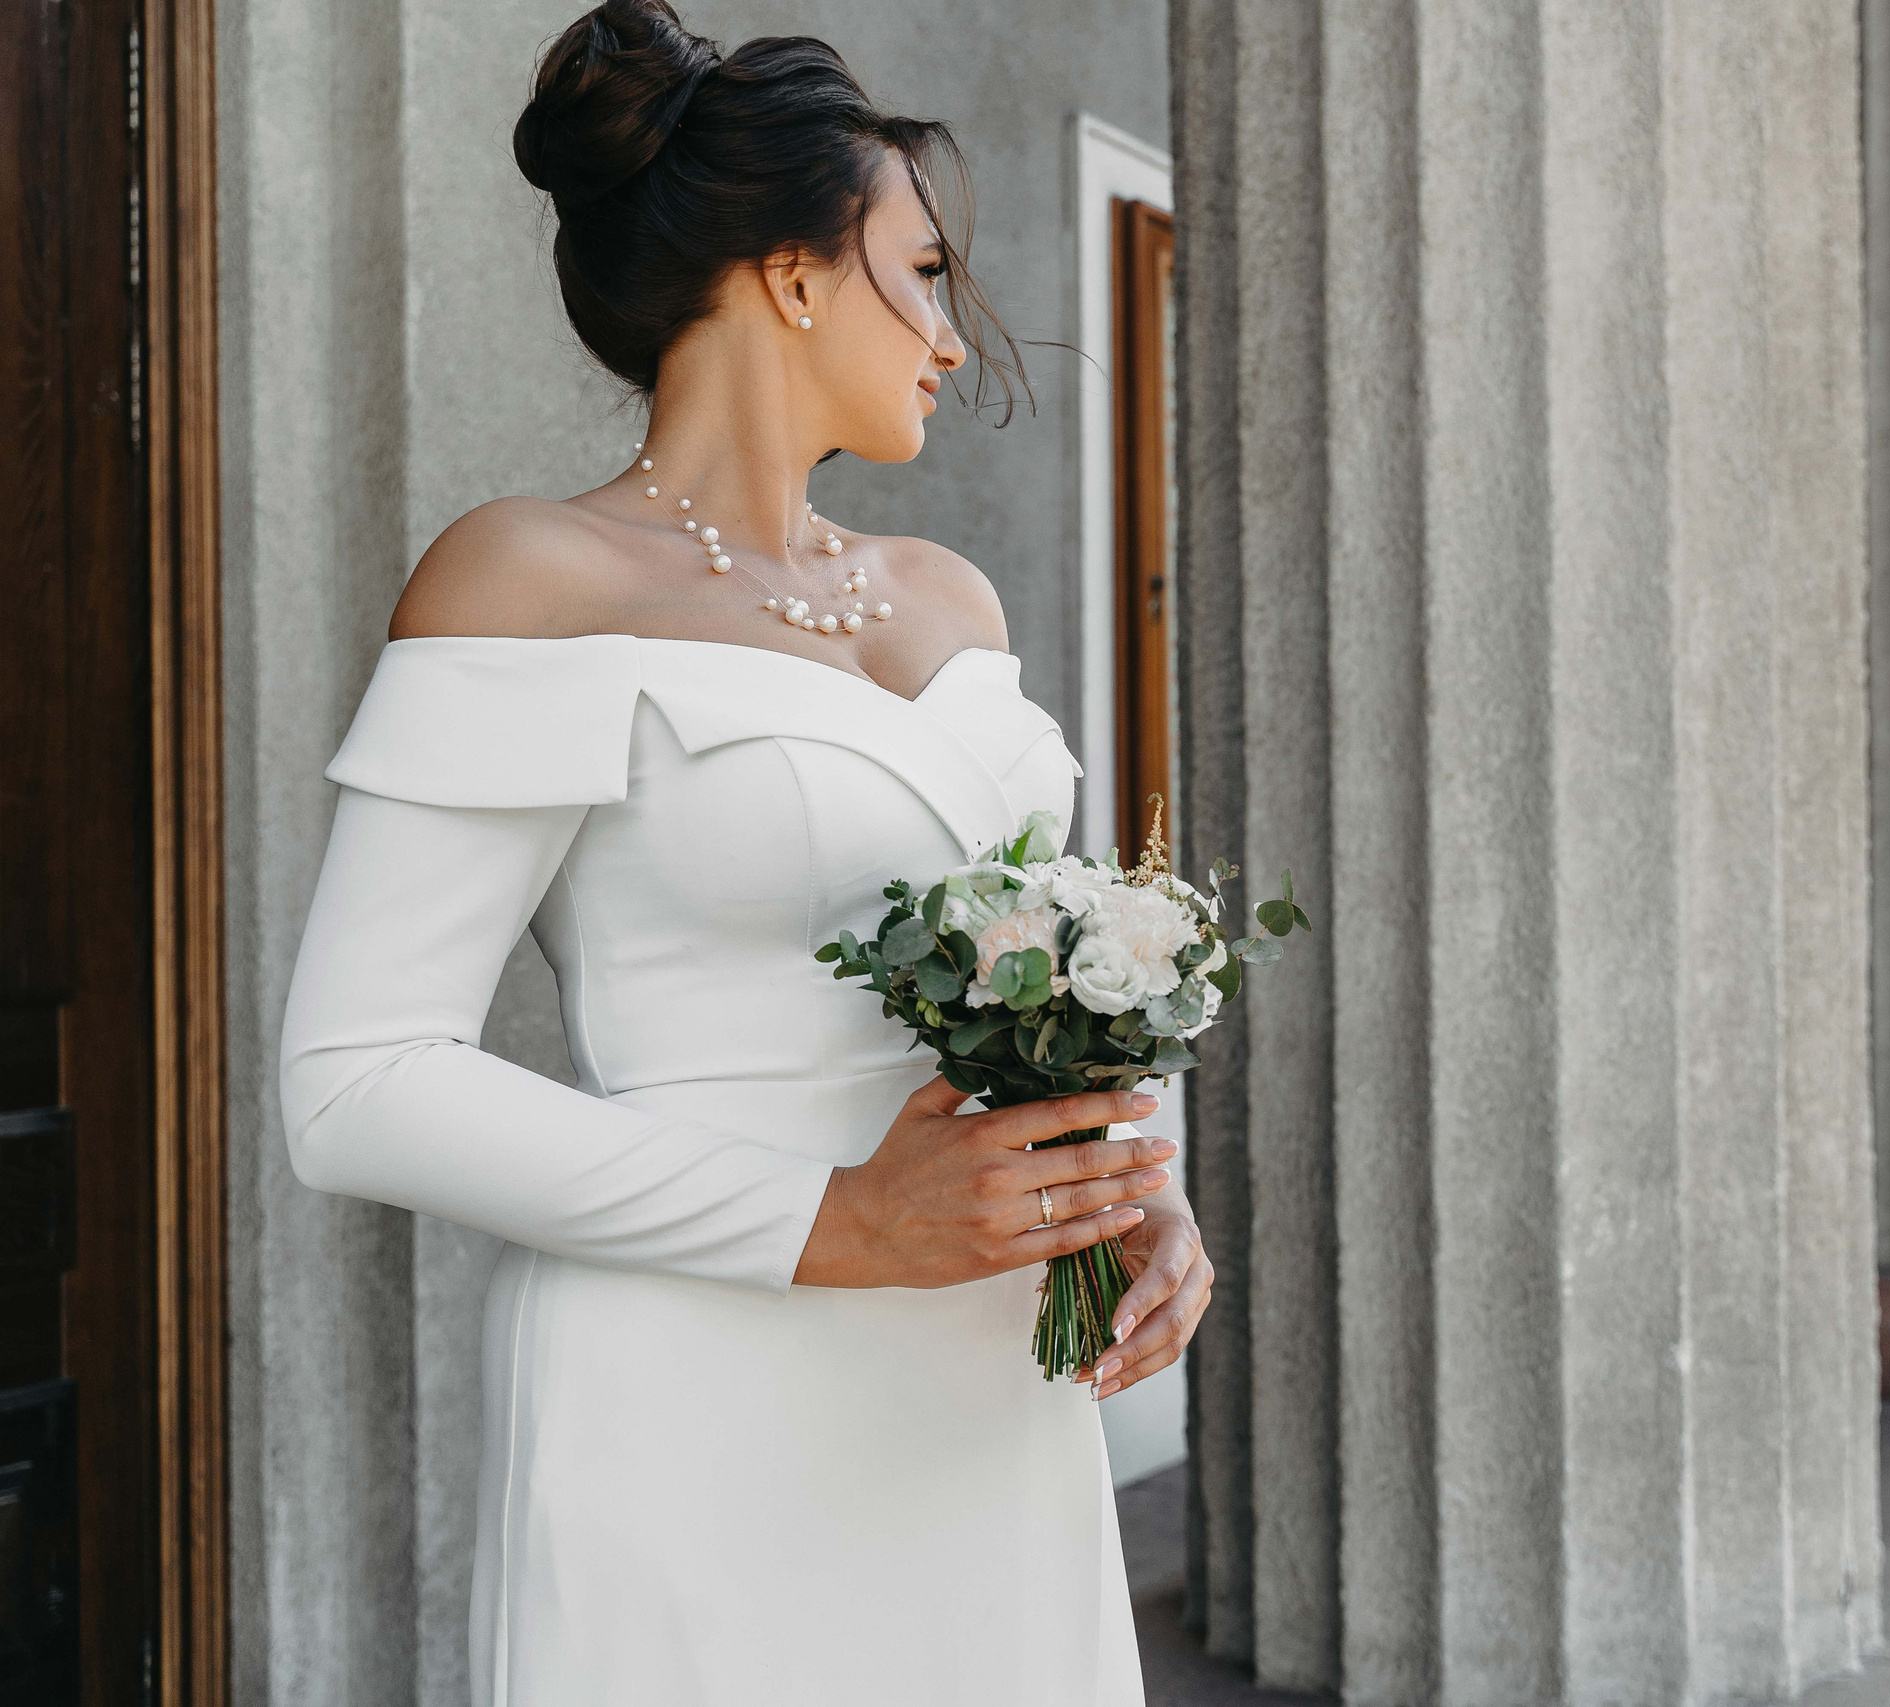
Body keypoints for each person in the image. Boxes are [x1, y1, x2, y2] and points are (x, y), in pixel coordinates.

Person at [274, 5, 1206, 1698]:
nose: (946, 332)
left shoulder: (951, 601)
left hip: (988, 1390)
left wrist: (1128, 1192)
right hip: (696, 1387)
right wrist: (838, 1219)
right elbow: (355, 1080)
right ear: (792, 271)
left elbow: (1022, 997)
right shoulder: (530, 580)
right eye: (921, 270)